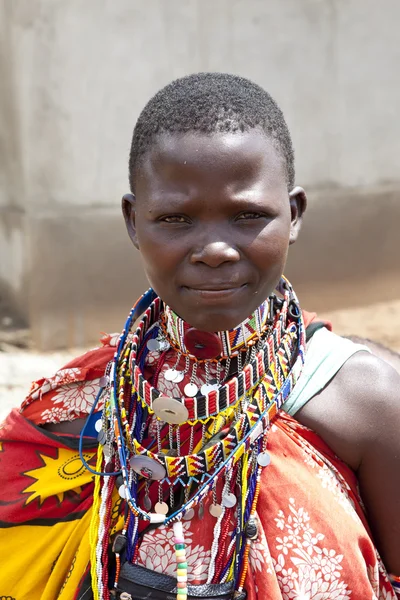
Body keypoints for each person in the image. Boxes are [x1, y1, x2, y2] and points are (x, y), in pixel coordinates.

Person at [0, 72, 399, 600]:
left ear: (295, 214)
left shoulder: (364, 402)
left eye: (248, 215)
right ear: (132, 221)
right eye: (175, 217)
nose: (215, 249)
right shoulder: (79, 405)